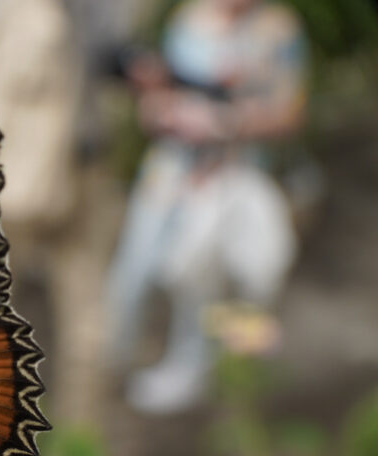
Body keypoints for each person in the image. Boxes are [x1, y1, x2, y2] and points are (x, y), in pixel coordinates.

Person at [106, 0, 307, 413]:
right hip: (171, 173)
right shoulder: (188, 19)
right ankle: (115, 379)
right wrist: (165, 108)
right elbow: (155, 104)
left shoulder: (278, 28)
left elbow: (289, 114)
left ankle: (231, 393)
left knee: (233, 277)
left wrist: (226, 122)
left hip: (235, 177)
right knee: (136, 272)